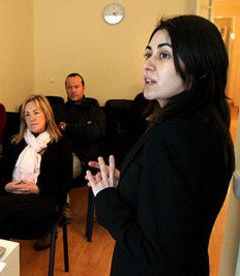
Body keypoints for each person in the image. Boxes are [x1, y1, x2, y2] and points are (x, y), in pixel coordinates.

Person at [86, 15, 235, 275]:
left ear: (199, 67)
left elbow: (156, 254)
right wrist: (133, 183)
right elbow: (177, 208)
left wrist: (107, 199)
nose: (147, 65)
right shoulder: (209, 125)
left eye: (164, 55)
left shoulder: (172, 134)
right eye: (148, 54)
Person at [0, 95, 72, 249]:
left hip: (45, 200)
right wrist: (6, 186)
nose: (32, 118)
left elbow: (64, 185)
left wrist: (37, 188)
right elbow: (0, 173)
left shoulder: (60, 144)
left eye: (36, 112)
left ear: (47, 114)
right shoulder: (16, 141)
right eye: (27, 114)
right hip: (12, 197)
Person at [58, 73, 107, 181]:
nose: (73, 90)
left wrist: (68, 128)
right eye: (69, 87)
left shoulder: (93, 105)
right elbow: (59, 134)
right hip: (67, 153)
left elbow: (96, 132)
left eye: (76, 87)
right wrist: (84, 127)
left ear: (83, 88)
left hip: (87, 157)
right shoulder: (62, 109)